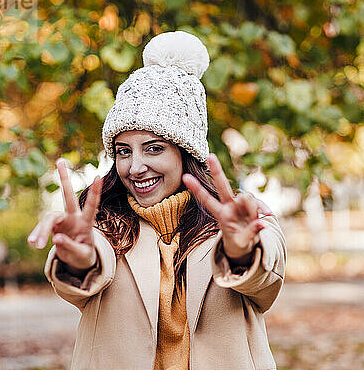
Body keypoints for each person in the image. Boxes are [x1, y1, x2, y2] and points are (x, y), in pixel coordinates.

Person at [27, 30, 287, 370]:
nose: (135, 167)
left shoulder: (240, 218)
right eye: (123, 151)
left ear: (186, 153)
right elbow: (88, 273)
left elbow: (267, 276)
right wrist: (80, 260)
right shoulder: (103, 226)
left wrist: (239, 249)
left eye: (153, 148)